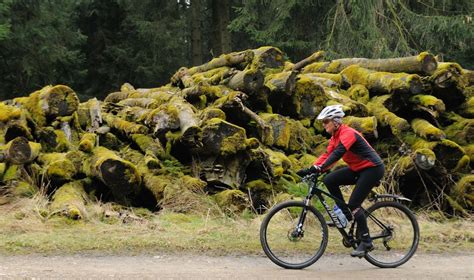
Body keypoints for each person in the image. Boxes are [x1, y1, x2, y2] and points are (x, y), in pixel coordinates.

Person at [297, 105, 385, 257]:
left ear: (336, 122)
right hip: (358, 168)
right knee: (329, 179)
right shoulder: (334, 137)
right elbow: (327, 155)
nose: (323, 125)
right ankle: (346, 215)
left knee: (354, 204)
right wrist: (312, 169)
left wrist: (320, 168)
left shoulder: (348, 133)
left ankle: (366, 242)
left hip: (372, 169)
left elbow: (338, 154)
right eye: (323, 122)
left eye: (326, 121)